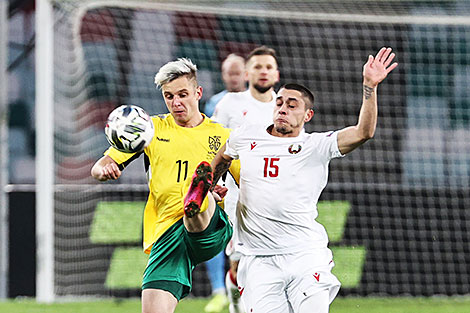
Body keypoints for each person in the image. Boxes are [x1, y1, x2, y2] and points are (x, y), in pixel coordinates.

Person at [210, 47, 398, 313]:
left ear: (307, 116)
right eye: (279, 103)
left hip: (304, 256)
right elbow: (222, 157)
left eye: (292, 104)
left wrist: (370, 87)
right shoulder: (246, 135)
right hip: (259, 261)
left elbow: (363, 132)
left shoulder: (315, 145)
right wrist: (210, 187)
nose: (282, 108)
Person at [91, 58, 237, 313]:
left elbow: (248, 180)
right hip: (166, 233)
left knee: (203, 201)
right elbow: (100, 165)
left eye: (183, 94)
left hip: (209, 228)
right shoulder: (151, 129)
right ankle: (199, 195)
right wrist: (104, 170)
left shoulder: (223, 136)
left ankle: (198, 196)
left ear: (198, 93)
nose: (176, 102)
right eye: (169, 96)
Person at [211, 45, 280, 313]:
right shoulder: (229, 105)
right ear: (247, 73)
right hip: (236, 197)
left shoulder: (285, 105)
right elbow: (214, 143)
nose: (263, 72)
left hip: (275, 198)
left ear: (276, 74)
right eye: (258, 67)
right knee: (239, 265)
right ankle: (236, 306)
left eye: (268, 67)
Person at [203, 53, 246, 313]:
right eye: (228, 72)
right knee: (218, 235)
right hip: (224, 181)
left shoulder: (261, 103)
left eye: (237, 72)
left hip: (251, 181)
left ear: (246, 74)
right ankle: (220, 291)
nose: (233, 77)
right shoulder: (214, 103)